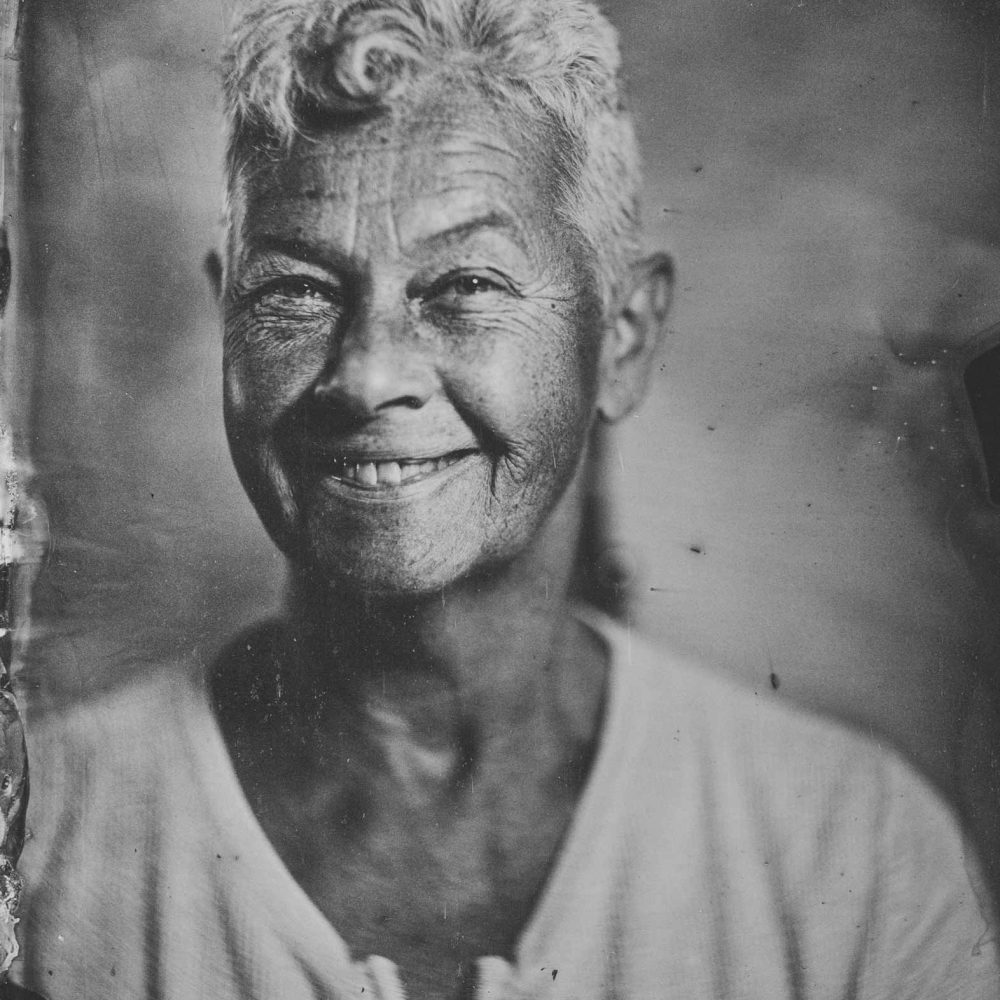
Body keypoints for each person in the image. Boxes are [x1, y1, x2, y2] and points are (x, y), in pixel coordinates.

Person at [10, 1, 1000, 997]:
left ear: (621, 335)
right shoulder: (42, 831)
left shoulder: (852, 854)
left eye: (466, 283)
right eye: (296, 290)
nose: (366, 375)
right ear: (225, 311)